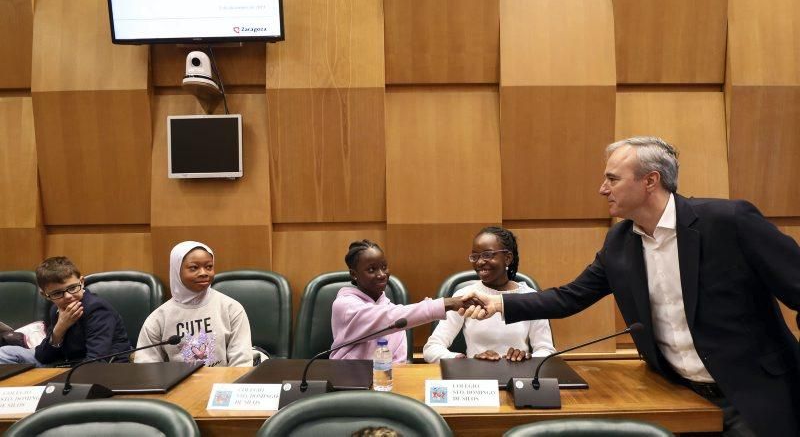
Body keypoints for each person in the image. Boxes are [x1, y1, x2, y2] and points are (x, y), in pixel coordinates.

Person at [461, 136, 800, 437]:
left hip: (753, 395)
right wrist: (500, 304)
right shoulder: (620, 243)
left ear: (650, 181)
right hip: (679, 398)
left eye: (612, 178)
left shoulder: (728, 222)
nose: (602, 188)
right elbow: (570, 297)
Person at [423, 226, 555, 363]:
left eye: (487, 255)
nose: (479, 262)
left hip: (519, 379)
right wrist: (467, 361)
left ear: (508, 258)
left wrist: (527, 359)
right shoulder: (465, 296)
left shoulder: (530, 298)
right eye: (475, 256)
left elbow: (546, 350)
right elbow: (432, 348)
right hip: (476, 379)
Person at [331, 240, 473, 362]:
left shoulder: (389, 308)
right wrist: (443, 304)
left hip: (386, 382)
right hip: (349, 383)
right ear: (354, 274)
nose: (381, 274)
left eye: (384, 267)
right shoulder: (344, 306)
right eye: (371, 269)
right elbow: (386, 317)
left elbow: (399, 360)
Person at [135, 241, 252, 367]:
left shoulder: (231, 308)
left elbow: (242, 363)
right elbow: (146, 367)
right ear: (176, 270)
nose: (203, 273)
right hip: (178, 385)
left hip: (223, 384)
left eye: (209, 267)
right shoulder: (159, 318)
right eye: (194, 268)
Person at [0, 256, 130, 366]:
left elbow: (96, 361)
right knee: (5, 353)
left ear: (82, 282)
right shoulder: (56, 309)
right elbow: (42, 356)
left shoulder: (97, 309)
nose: (68, 296)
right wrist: (60, 328)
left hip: (97, 367)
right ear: (45, 295)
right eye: (57, 293)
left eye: (72, 288)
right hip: (62, 362)